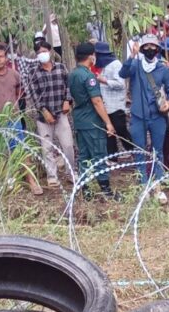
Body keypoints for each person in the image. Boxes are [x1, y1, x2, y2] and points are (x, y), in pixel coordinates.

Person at [0, 43, 44, 196]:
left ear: (6, 57)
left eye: (1, 56)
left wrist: (15, 109)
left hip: (13, 119)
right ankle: (5, 181)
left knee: (20, 149)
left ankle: (31, 181)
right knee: (0, 152)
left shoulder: (14, 74)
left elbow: (18, 94)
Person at [120, 35, 169, 192]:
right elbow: (122, 73)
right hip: (138, 116)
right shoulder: (135, 65)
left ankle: (158, 184)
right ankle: (143, 184)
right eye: (146, 46)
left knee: (158, 152)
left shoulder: (163, 69)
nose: (150, 49)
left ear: (157, 49)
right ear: (142, 49)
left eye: (153, 46)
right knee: (139, 151)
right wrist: (132, 56)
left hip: (157, 116)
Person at [70, 43, 117, 197]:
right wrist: (108, 123)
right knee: (99, 154)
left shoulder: (73, 74)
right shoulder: (89, 76)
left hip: (80, 120)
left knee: (84, 155)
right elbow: (96, 101)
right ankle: (106, 190)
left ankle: (86, 190)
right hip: (92, 122)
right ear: (91, 56)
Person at [31, 40, 76, 188]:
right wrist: (44, 111)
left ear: (50, 51)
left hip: (61, 113)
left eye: (44, 51)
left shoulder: (61, 68)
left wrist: (67, 101)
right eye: (39, 53)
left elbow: (68, 86)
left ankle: (71, 173)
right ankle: (52, 176)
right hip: (43, 117)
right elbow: (34, 94)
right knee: (47, 147)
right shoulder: (34, 72)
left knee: (68, 145)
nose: (42, 54)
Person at [94, 42, 133, 158]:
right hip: (105, 105)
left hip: (116, 105)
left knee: (121, 130)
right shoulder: (100, 66)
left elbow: (121, 84)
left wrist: (104, 80)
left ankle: (134, 151)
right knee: (108, 131)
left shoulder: (115, 64)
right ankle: (113, 157)